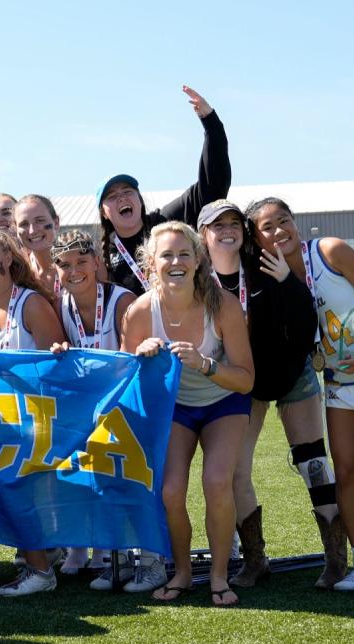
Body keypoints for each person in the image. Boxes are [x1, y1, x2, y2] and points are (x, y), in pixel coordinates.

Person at [250, 198, 354, 595]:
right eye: (268, 227)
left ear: (296, 223)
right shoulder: (271, 273)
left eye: (284, 221)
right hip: (342, 379)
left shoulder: (329, 250)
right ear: (257, 238)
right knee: (344, 471)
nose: (279, 231)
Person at [201, 199, 346, 588]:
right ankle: (255, 560)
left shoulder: (264, 265)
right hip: (243, 382)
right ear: (204, 235)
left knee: (313, 463)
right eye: (219, 225)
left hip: (291, 374)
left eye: (235, 223)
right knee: (234, 471)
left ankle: (336, 559)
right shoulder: (201, 281)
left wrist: (288, 282)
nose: (228, 230)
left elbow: (305, 322)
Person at [122, 221, 253, 606]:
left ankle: (217, 575)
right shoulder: (141, 310)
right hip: (175, 407)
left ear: (199, 260)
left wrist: (205, 365)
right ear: (151, 263)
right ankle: (181, 572)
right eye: (166, 255)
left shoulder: (224, 305)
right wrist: (141, 357)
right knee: (171, 490)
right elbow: (130, 382)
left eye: (184, 254)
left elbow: (246, 381)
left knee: (216, 482)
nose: (175, 261)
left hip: (224, 402)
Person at [0, 229, 66, 596]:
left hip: (40, 422)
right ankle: (39, 556)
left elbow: (56, 368)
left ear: (8, 258)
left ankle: (40, 570)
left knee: (15, 488)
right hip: (4, 424)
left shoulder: (33, 305)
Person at [47, 230, 134, 578]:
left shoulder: (122, 300)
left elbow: (131, 360)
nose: (74, 271)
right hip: (86, 402)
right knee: (72, 467)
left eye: (81, 261)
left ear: (97, 262)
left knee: (113, 473)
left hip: (122, 400)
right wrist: (62, 351)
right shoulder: (61, 303)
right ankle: (80, 545)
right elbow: (66, 350)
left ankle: (116, 549)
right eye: (65, 265)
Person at [97, 86, 231, 295]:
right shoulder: (102, 258)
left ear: (140, 200)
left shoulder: (166, 222)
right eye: (112, 196)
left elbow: (212, 186)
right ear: (104, 213)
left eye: (128, 191)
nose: (122, 197)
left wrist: (211, 125)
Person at [13, 194, 62, 300]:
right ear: (15, 228)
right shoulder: (16, 272)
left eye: (40, 221)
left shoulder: (82, 263)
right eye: (24, 224)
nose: (32, 231)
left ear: (56, 222)